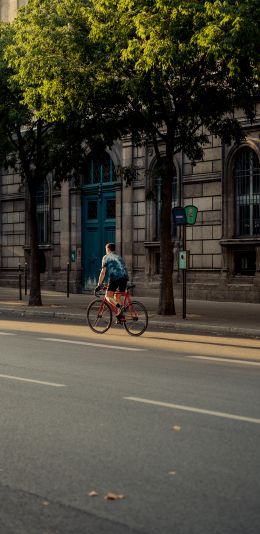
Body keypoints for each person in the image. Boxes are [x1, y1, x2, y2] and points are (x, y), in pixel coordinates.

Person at [96, 243, 128, 318]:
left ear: (108, 249)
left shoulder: (106, 257)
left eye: (106, 249)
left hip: (115, 278)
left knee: (108, 296)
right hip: (125, 278)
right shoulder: (119, 257)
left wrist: (99, 284)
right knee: (117, 296)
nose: (106, 251)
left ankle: (120, 307)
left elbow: (103, 272)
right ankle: (121, 315)